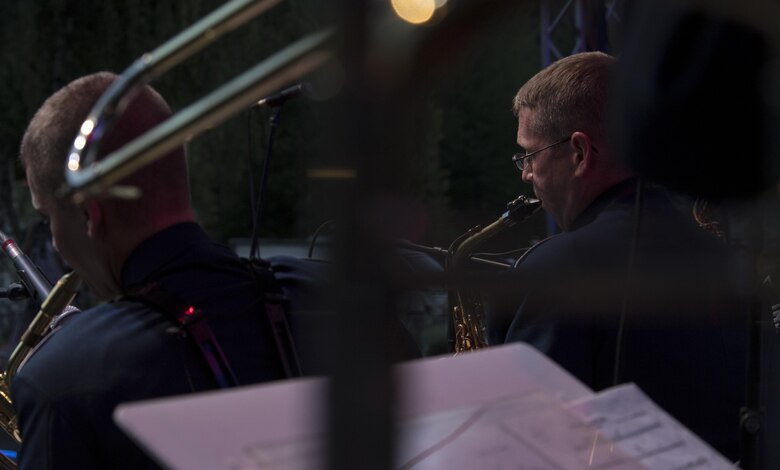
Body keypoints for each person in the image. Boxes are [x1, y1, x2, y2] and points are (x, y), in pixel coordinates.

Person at [11, 72, 288, 468]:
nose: (55, 241)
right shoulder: (337, 301)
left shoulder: (61, 378)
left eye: (47, 218)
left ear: (90, 215)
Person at [486, 52, 748, 460]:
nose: (526, 174)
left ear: (579, 152)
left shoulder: (555, 269)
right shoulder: (728, 259)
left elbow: (528, 451)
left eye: (530, 155)